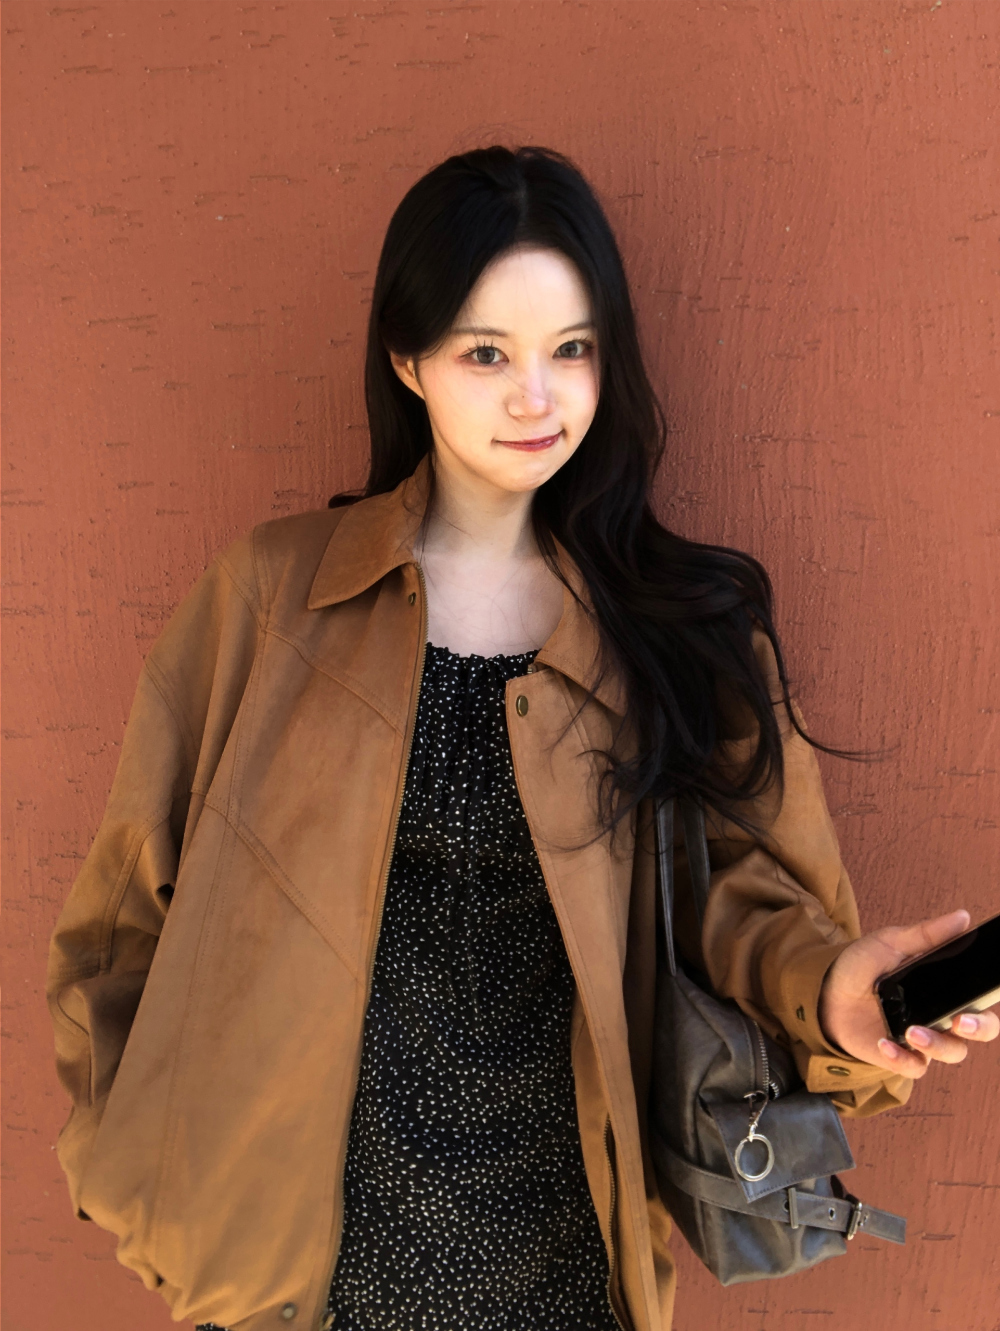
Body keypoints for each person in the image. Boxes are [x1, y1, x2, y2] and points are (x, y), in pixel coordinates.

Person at [46, 146, 997, 1331]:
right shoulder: (271, 601)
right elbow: (119, 926)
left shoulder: (678, 634)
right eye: (486, 353)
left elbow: (748, 910)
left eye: (571, 349)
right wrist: (136, 1175)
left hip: (565, 1274)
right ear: (407, 358)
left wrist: (840, 990)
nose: (535, 398)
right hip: (301, 1282)